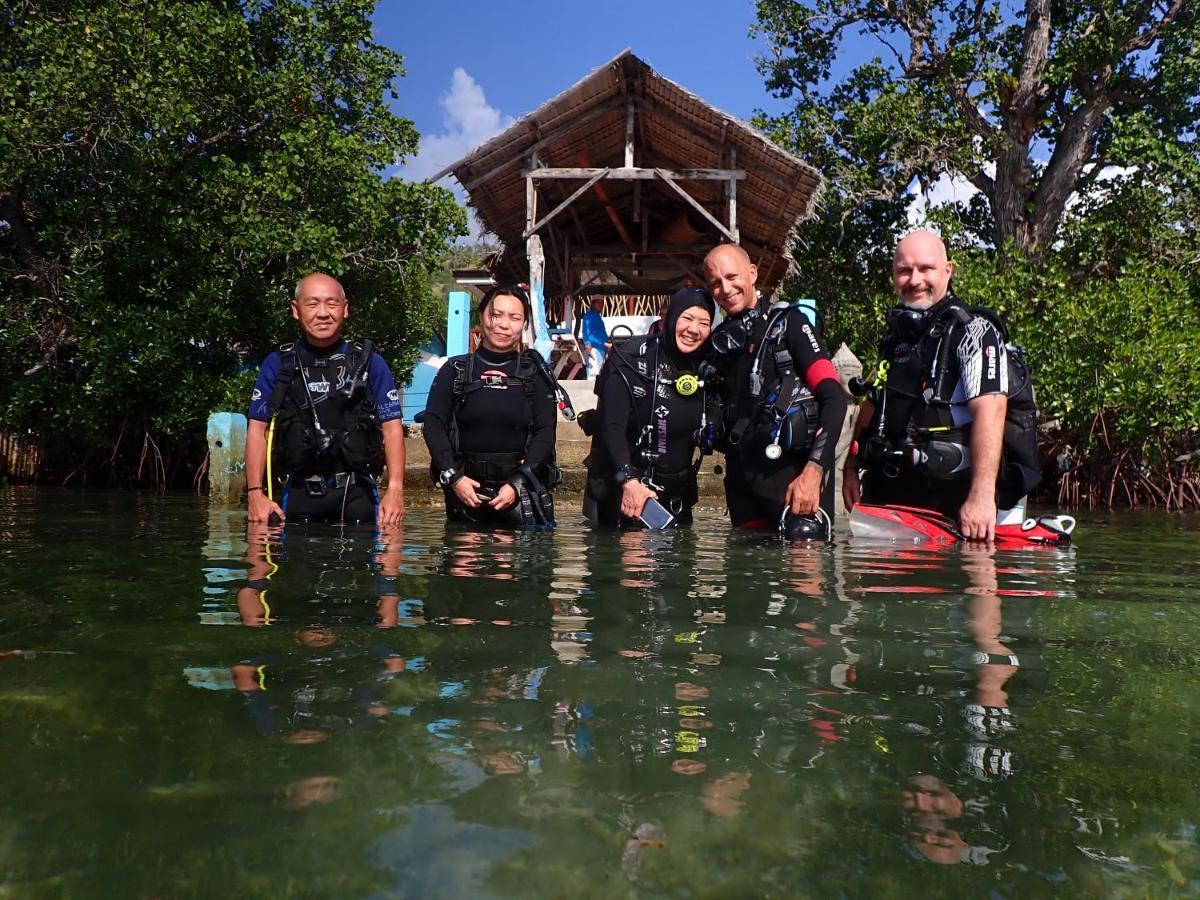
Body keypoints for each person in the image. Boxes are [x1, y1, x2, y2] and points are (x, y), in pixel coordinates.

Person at [842, 230, 1040, 543]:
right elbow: (874, 401)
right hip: (899, 494)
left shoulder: (975, 332)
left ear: (947, 270)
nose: (914, 279)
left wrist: (981, 497)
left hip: (961, 500)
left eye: (926, 269)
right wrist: (850, 469)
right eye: (905, 271)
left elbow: (992, 407)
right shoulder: (896, 338)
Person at [702, 244, 847, 541]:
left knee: (803, 581)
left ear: (752, 273)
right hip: (744, 494)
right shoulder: (719, 343)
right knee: (746, 581)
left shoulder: (790, 324)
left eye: (732, 276)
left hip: (795, 488)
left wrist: (813, 471)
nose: (725, 288)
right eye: (716, 282)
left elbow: (834, 397)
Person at [245, 273, 405, 525]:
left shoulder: (368, 361)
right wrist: (255, 494)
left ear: (345, 309)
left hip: (358, 494)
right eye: (312, 304)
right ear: (296, 310)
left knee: (367, 562)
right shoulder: (280, 363)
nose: (322, 313)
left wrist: (395, 489)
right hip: (298, 494)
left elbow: (391, 426)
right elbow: (257, 429)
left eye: (331, 304)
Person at [420, 284, 559, 529]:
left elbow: (546, 433)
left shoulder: (535, 375)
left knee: (514, 565)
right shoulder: (455, 370)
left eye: (514, 318)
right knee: (464, 562)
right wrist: (454, 478)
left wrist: (518, 483)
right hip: (465, 491)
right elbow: (433, 423)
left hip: (520, 492)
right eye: (496, 315)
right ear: (482, 316)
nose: (503, 325)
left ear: (524, 324)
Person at [583, 287, 717, 528]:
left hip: (677, 498)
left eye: (704, 323)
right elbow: (610, 428)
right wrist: (630, 481)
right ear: (670, 317)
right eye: (686, 318)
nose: (693, 329)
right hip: (627, 495)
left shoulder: (708, 368)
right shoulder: (630, 359)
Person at [580, 295, 610, 378]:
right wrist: (587, 344)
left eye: (602, 302)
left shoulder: (598, 317)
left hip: (601, 349)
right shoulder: (589, 315)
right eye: (598, 302)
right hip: (594, 349)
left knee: (599, 375)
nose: (600, 304)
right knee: (593, 376)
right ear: (592, 304)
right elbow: (586, 330)